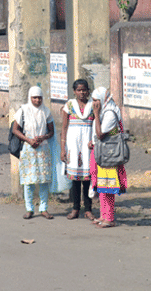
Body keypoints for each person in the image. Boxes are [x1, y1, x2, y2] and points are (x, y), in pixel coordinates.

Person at [12, 86, 55, 219]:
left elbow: (51, 131)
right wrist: (29, 140)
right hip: (28, 149)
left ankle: (43, 208)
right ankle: (29, 208)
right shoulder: (23, 111)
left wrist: (43, 137)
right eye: (34, 98)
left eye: (40, 98)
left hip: (43, 149)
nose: (37, 100)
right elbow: (15, 129)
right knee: (28, 180)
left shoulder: (46, 111)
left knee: (43, 180)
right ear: (30, 98)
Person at [90, 86, 128, 229]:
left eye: (96, 101)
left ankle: (110, 217)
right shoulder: (103, 111)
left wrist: (96, 113)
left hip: (109, 154)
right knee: (101, 185)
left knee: (109, 186)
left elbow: (100, 134)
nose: (94, 104)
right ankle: (103, 214)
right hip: (101, 152)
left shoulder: (110, 113)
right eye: (93, 101)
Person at [60, 78, 95, 220]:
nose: (82, 93)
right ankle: (75, 208)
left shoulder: (93, 106)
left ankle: (88, 209)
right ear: (74, 92)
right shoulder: (69, 105)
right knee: (75, 180)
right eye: (79, 90)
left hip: (88, 146)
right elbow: (64, 127)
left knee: (87, 178)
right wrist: (63, 148)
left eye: (84, 90)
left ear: (88, 91)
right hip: (73, 146)